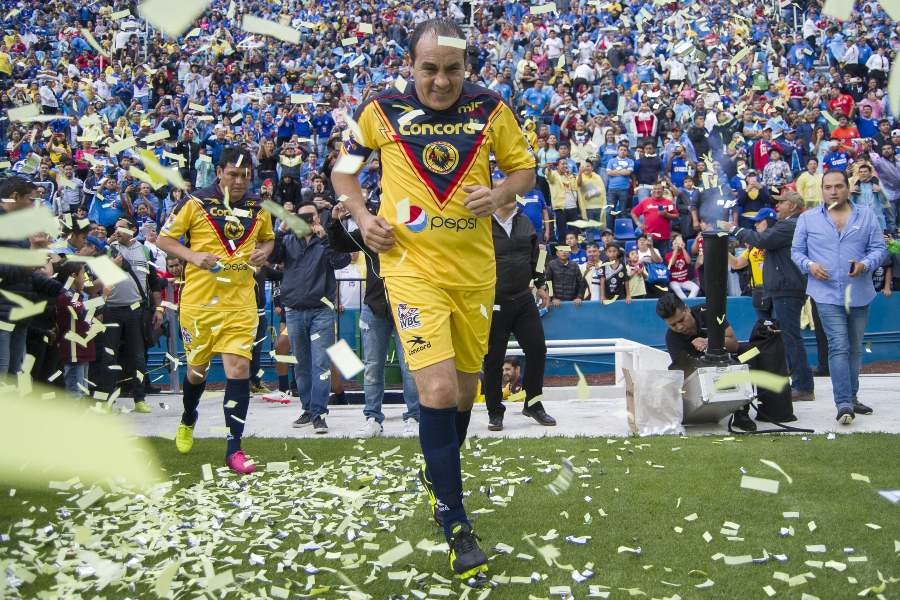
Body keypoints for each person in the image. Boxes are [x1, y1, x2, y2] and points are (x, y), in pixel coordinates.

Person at [331, 19, 535, 579]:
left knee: (466, 392)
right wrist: (363, 216)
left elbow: (524, 171)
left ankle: (438, 473)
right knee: (438, 390)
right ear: (411, 65)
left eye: (452, 69)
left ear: (466, 67)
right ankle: (455, 521)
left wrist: (500, 191)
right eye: (429, 69)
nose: (441, 81)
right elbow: (344, 173)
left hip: (475, 273)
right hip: (410, 268)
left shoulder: (491, 109)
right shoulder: (379, 110)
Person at [156, 147, 276, 474]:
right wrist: (192, 256)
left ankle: (234, 448)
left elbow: (268, 239)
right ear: (219, 172)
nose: (239, 181)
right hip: (200, 304)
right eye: (233, 174)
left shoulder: (259, 208)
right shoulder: (195, 203)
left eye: (245, 175)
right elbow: (164, 239)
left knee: (238, 369)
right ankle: (188, 416)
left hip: (240, 303)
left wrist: (264, 252)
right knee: (196, 372)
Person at [791, 170, 888, 425]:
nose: (833, 191)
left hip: (859, 292)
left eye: (838, 186)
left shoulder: (866, 215)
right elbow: (796, 252)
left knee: (854, 347)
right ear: (822, 190)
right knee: (838, 345)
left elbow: (879, 249)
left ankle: (852, 397)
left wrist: (865, 264)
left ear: (847, 188)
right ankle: (843, 402)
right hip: (825, 293)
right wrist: (810, 266)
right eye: (828, 187)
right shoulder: (808, 218)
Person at [326, 203, 421, 438]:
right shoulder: (370, 233)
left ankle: (414, 417)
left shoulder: (412, 230)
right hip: (374, 306)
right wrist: (335, 221)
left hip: (407, 304)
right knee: (372, 366)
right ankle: (372, 418)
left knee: (410, 366)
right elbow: (340, 244)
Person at [269, 202, 350, 433]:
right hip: (294, 311)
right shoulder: (287, 240)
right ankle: (307, 409)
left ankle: (319, 413)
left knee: (321, 363)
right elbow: (272, 256)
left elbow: (342, 261)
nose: (307, 221)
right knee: (302, 365)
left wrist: (325, 239)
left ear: (318, 217)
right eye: (302, 217)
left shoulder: (325, 241)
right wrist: (281, 229)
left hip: (321, 311)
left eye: (311, 216)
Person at [730, 192, 815, 402]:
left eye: (782, 202)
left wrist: (734, 229)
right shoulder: (792, 224)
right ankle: (800, 383)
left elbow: (761, 240)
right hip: (784, 287)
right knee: (787, 337)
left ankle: (803, 386)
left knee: (790, 338)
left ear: (793, 206)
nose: (778, 206)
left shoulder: (788, 225)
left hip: (786, 288)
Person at [483, 195, 554, 432]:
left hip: (523, 298)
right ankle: (495, 412)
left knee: (538, 349)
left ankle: (533, 404)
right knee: (493, 358)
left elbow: (538, 255)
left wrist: (541, 284)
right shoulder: (482, 223)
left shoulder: (525, 222)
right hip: (494, 301)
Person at [655, 292, 757, 431]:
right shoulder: (672, 338)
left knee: (752, 351)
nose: (679, 327)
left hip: (728, 359)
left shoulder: (709, 312)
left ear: (687, 309)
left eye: (682, 320)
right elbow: (684, 374)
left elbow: (734, 344)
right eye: (673, 325)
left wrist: (709, 342)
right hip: (702, 376)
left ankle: (744, 412)